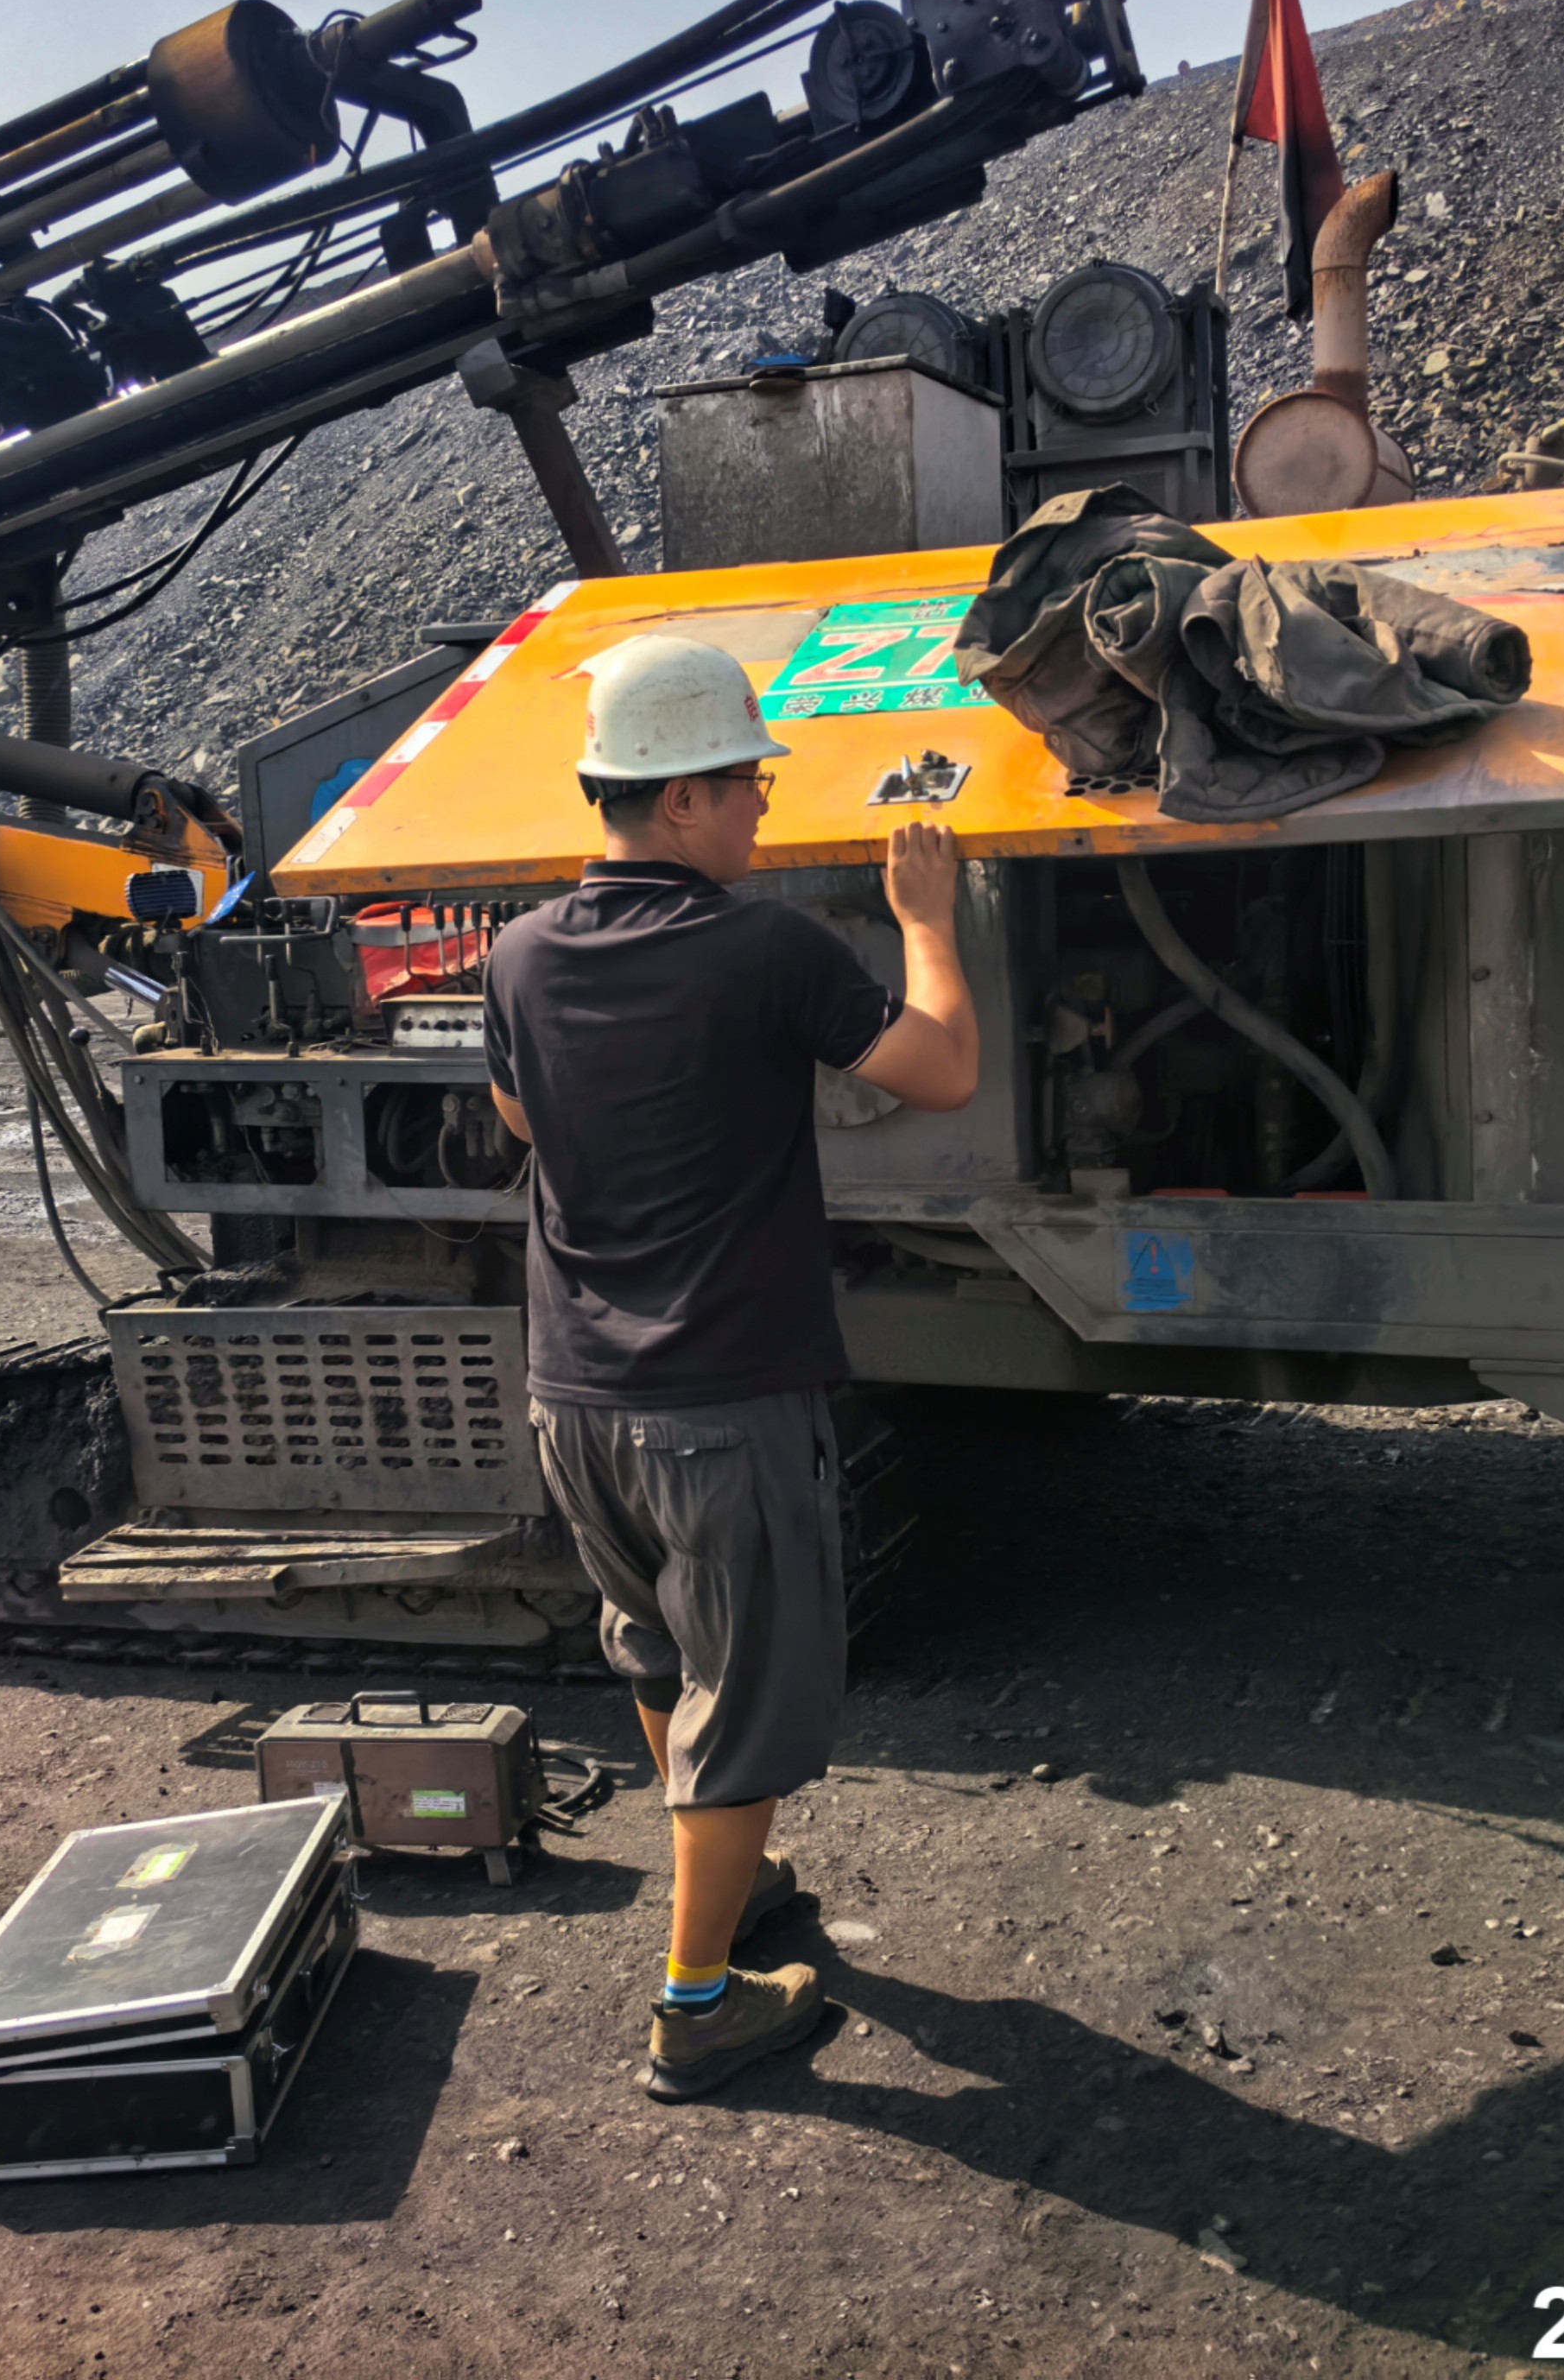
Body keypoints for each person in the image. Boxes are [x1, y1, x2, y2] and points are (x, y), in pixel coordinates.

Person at [482, 631, 980, 2101]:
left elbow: (518, 1120)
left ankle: (736, 1885)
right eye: (748, 781)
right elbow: (944, 1070)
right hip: (719, 1405)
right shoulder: (765, 951)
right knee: (747, 1700)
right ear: (681, 798)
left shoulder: (520, 951)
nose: (765, 802)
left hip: (577, 1396)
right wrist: (928, 919)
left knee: (659, 1652)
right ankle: (696, 2008)